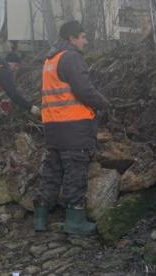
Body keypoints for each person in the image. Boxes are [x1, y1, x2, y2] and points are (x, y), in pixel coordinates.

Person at [34, 20, 110, 236]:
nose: (86, 41)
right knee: (75, 173)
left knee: (52, 171)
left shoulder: (50, 60)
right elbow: (84, 90)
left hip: (53, 126)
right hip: (74, 127)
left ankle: (40, 217)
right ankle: (75, 221)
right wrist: (104, 104)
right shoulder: (71, 58)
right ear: (72, 38)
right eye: (83, 36)